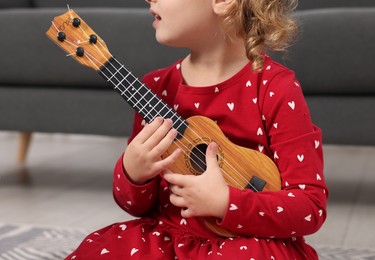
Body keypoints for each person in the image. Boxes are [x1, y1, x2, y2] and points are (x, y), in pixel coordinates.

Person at [66, 0, 328, 259]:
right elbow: (136, 207)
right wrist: (133, 173)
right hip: (170, 237)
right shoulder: (155, 89)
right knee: (103, 249)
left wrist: (226, 202)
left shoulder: (275, 87)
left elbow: (310, 208)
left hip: (248, 241)